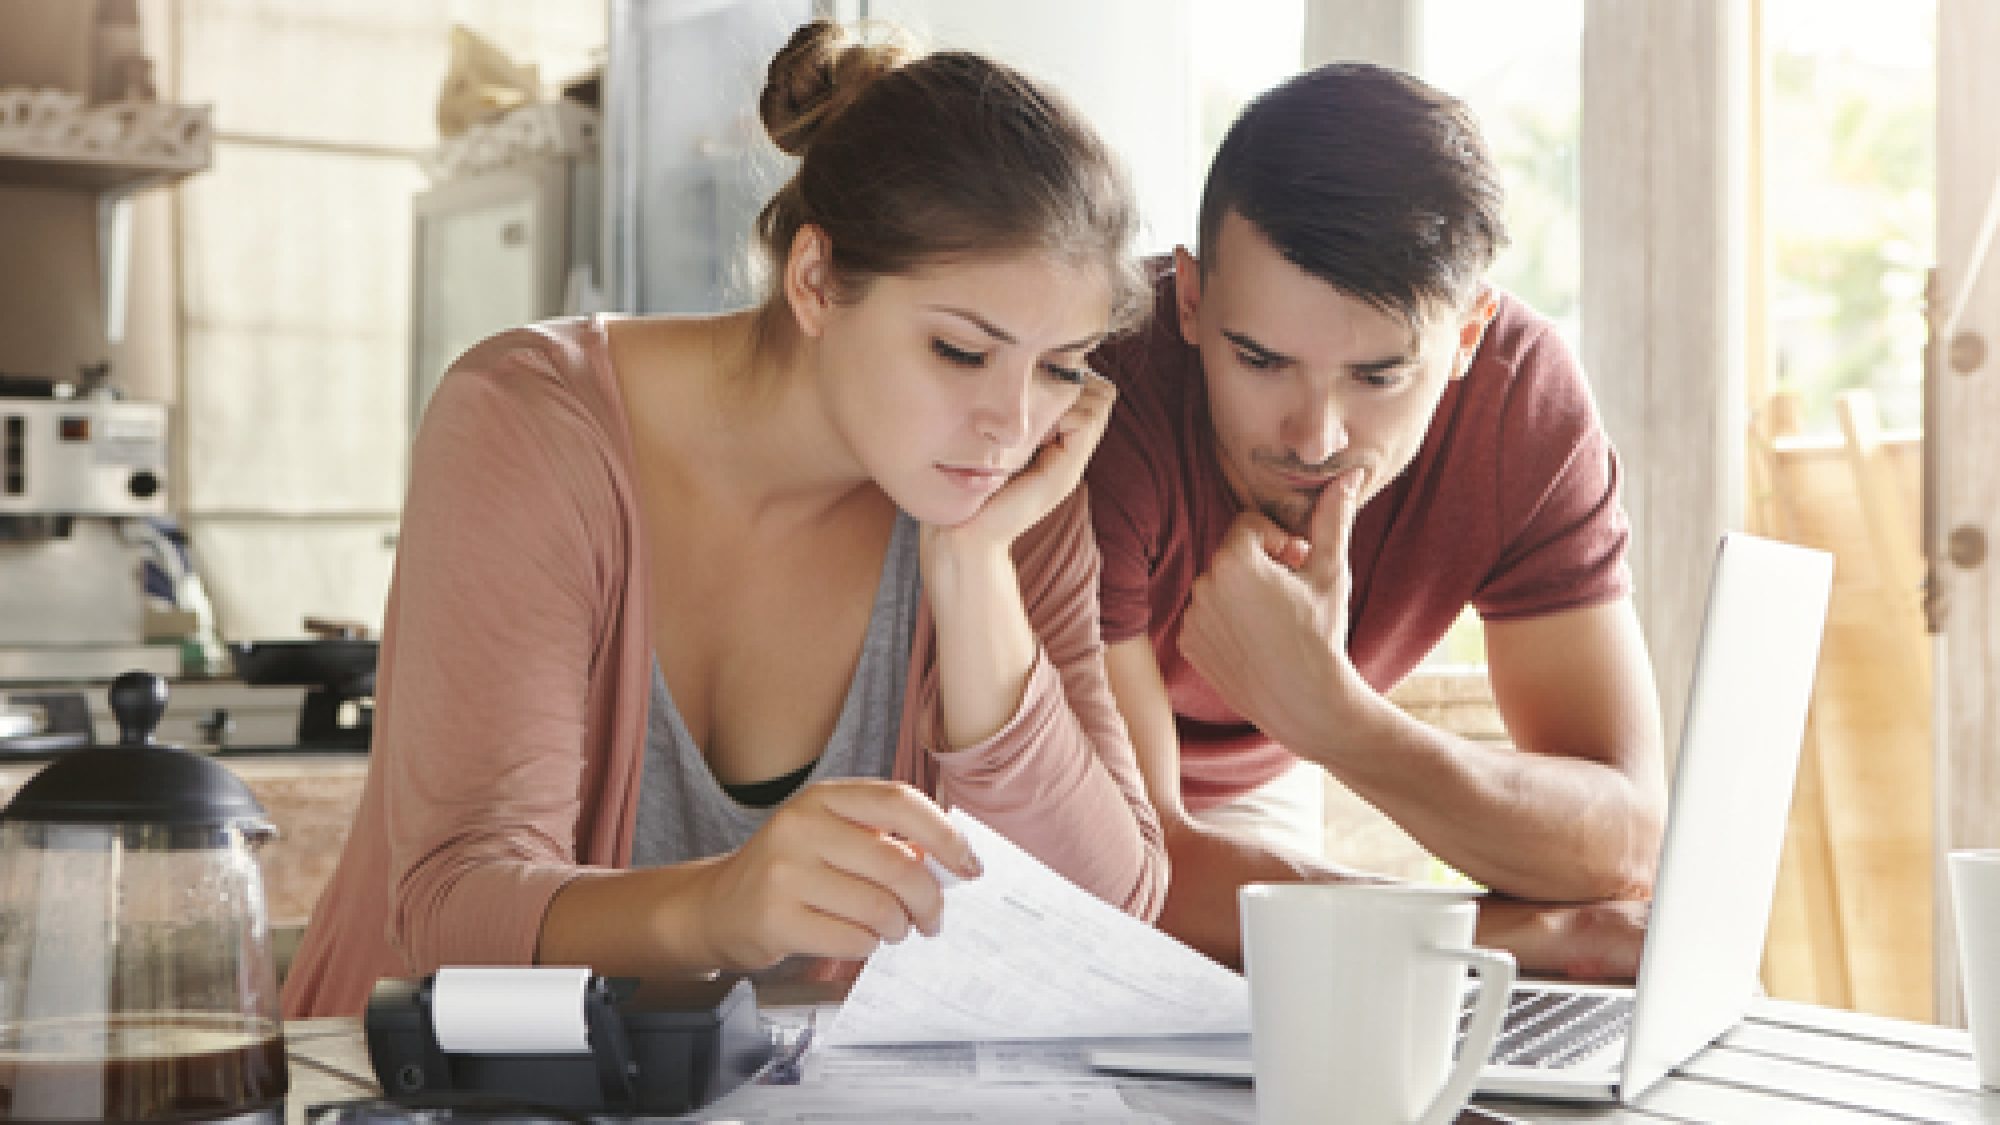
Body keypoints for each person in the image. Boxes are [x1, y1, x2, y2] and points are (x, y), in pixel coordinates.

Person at [283, 20, 1167, 1018]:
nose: (1011, 422)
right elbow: (451, 905)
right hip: (400, 1086)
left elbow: (1113, 910)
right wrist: (720, 909)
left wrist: (969, 571)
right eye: (960, 352)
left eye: (1060, 367)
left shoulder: (1003, 500)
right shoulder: (529, 422)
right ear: (816, 283)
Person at [1084, 61, 1666, 974]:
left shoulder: (1521, 400)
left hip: (1270, 782)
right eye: (1260, 360)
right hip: (1067, 815)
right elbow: (1133, 871)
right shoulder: (1101, 389)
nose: (1315, 437)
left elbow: (1626, 837)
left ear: (1468, 333)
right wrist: (1521, 940)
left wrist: (1333, 719)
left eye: (1379, 376)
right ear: (1192, 302)